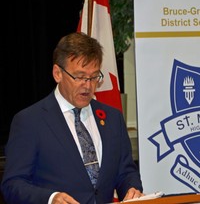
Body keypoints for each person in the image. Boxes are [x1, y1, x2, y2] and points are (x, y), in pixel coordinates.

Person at [1, 32, 143, 204]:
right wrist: (50, 198)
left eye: (94, 77)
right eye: (80, 77)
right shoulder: (30, 121)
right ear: (57, 74)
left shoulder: (112, 118)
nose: (88, 86)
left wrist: (132, 189)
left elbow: (126, 172)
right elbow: (13, 185)